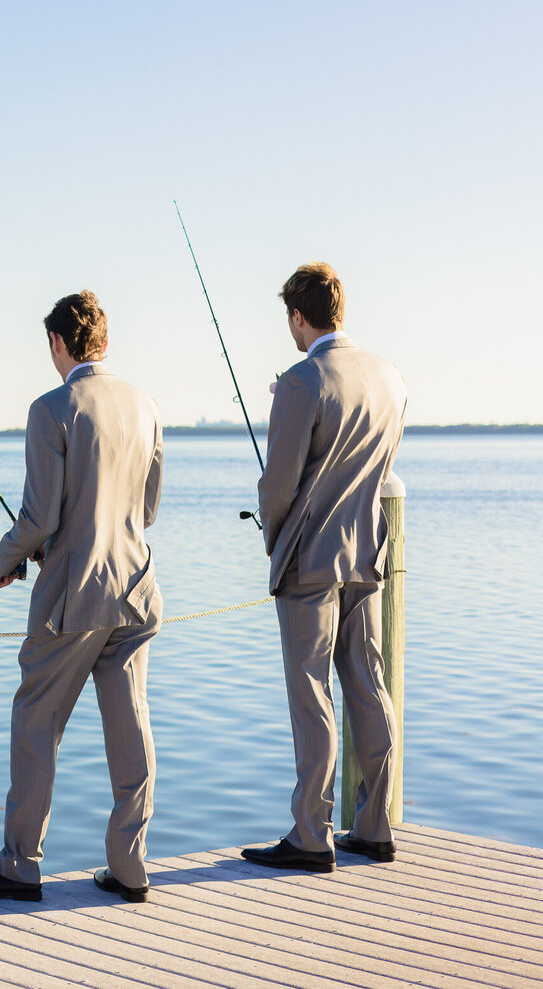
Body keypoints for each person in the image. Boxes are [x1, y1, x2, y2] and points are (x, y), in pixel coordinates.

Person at [0, 291, 164, 905]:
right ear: (105, 342)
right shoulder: (144, 405)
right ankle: (131, 864)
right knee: (130, 724)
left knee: (35, 721)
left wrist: (4, 560)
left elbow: (39, 518)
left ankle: (20, 864)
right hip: (137, 588)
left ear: (59, 344)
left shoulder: (50, 409)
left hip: (73, 597)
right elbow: (145, 508)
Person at [241, 262, 407, 873]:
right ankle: (376, 823)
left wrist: (274, 534)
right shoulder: (389, 376)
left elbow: (279, 484)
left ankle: (313, 834)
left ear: (297, 315)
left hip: (310, 560)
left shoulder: (300, 380)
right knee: (368, 685)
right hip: (369, 552)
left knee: (311, 693)